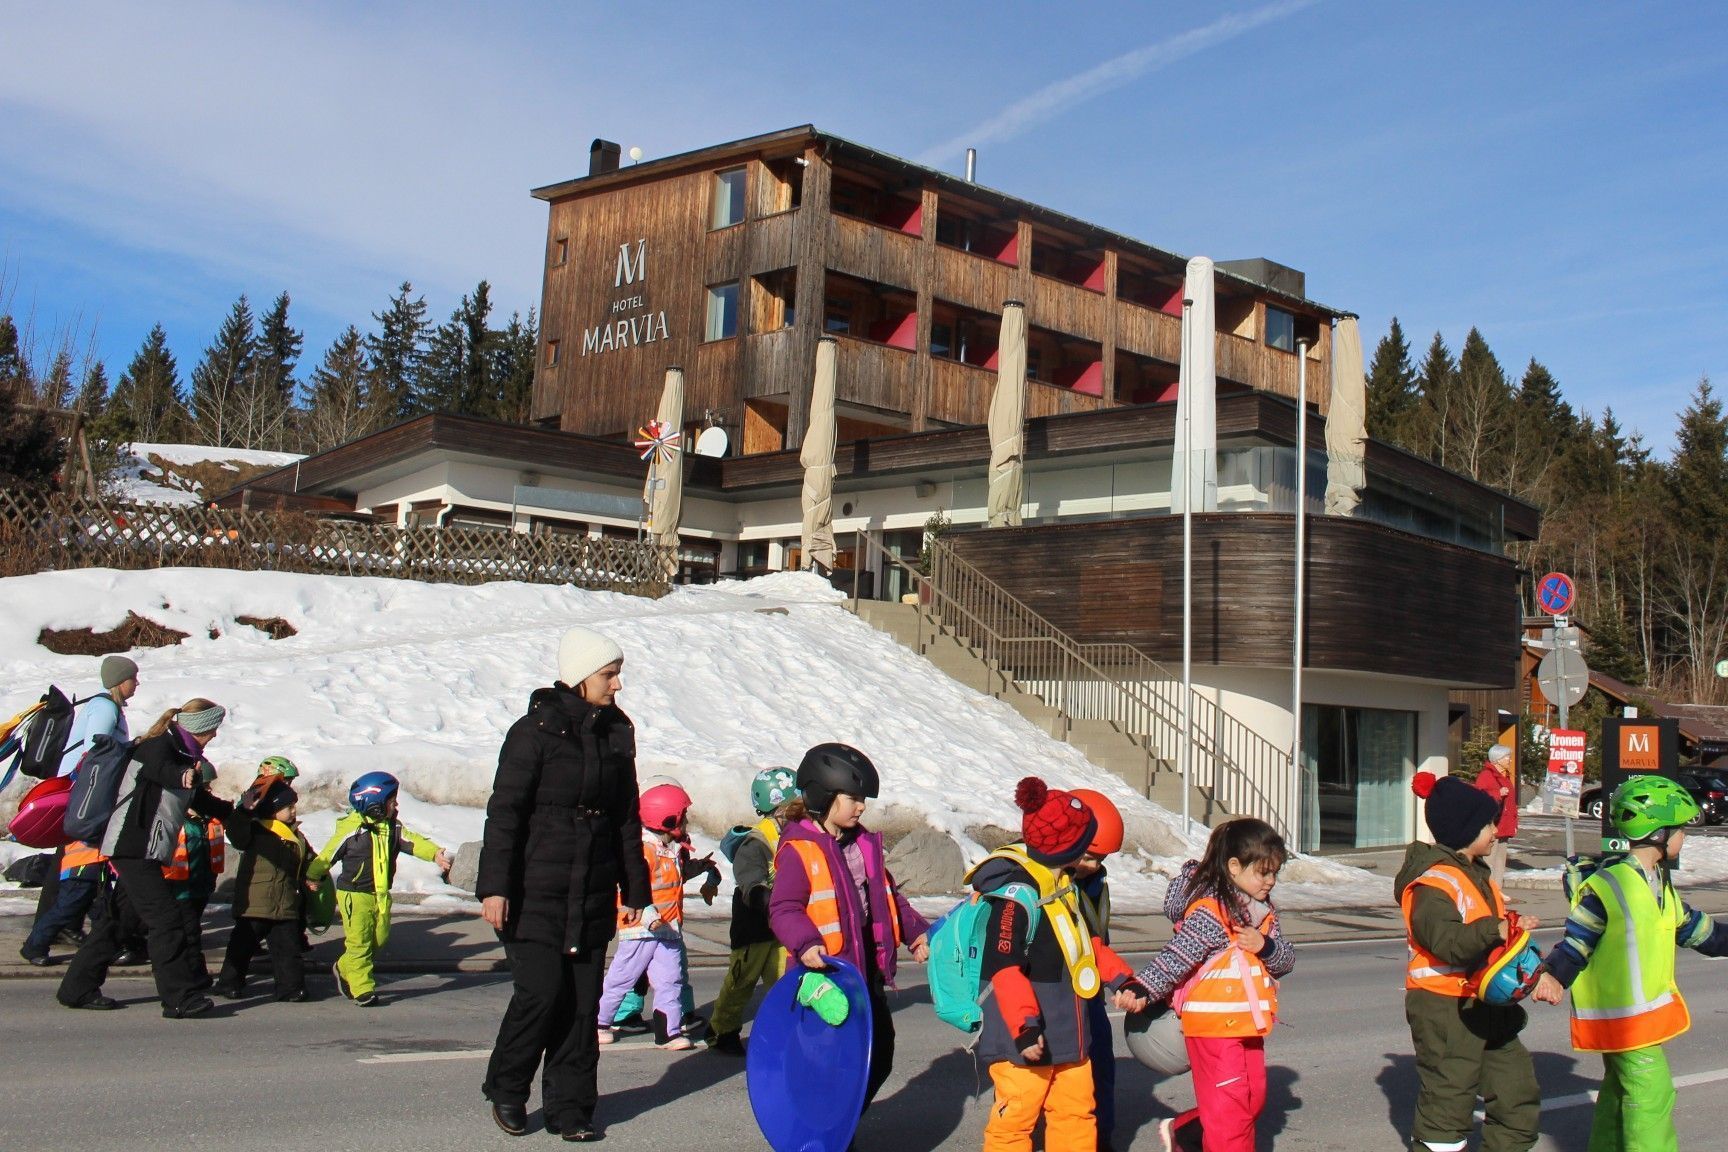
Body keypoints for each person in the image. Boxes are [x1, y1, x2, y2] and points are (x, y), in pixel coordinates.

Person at [478, 626, 651, 1143]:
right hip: (534, 892)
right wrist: (494, 887)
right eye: (609, 674)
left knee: (580, 1007)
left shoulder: (618, 733)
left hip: (592, 891)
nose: (617, 685)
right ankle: (508, 1089)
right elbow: (504, 813)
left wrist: (635, 889)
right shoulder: (532, 733)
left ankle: (571, 1107)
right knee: (540, 995)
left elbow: (625, 816)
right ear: (579, 677)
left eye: (617, 674)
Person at [1528, 775, 1728, 1150]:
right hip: (1624, 1022)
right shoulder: (1612, 885)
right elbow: (1578, 939)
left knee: (1621, 1099)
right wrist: (1554, 975)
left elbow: (1697, 931)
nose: (1684, 836)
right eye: (1680, 829)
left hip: (1634, 1021)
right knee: (1652, 1098)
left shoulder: (1656, 884)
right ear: (1657, 833)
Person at [971, 778, 1149, 1152]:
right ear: (1067, 846)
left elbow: (1087, 946)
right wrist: (1024, 1025)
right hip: (1025, 1038)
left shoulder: (1063, 888)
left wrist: (1124, 980)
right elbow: (1004, 968)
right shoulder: (1016, 898)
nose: (1091, 856)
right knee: (1014, 1124)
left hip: (1070, 1033)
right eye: (1085, 845)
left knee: (1076, 1117)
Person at [769, 742, 931, 1112]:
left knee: (879, 1055)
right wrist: (806, 943)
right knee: (831, 1065)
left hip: (867, 972)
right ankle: (826, 1130)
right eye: (853, 797)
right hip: (826, 975)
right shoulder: (801, 849)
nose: (861, 806)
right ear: (823, 795)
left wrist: (914, 932)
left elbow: (887, 897)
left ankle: (841, 1119)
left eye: (864, 799)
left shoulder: (863, 845)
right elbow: (783, 909)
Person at [57, 698, 235, 1018]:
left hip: (144, 850)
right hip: (132, 848)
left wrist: (236, 812)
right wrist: (185, 776)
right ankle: (180, 998)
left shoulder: (182, 753)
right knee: (167, 920)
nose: (215, 736)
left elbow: (197, 798)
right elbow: (164, 773)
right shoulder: (156, 748)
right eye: (212, 729)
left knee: (119, 923)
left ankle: (77, 987)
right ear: (196, 728)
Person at [1397, 771, 1540, 1152]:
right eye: (1489, 824)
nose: (1496, 831)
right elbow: (1447, 942)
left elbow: (1489, 936)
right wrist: (1494, 929)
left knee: (1516, 1096)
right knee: (1447, 1107)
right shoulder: (1434, 883)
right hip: (1445, 1008)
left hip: (1486, 1002)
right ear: (1465, 830)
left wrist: (1514, 935)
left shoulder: (1476, 875)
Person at [1135, 817, 1293, 1152]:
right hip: (1213, 1030)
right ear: (1234, 867)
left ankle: (1186, 1132)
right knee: (1231, 1115)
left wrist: (1265, 946)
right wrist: (1142, 989)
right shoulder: (1213, 912)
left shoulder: (1262, 914)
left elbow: (1285, 962)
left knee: (1251, 1102)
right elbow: (1176, 957)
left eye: (1275, 873)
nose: (1270, 881)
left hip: (1248, 1027)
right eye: (1263, 872)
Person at [22, 654, 139, 965]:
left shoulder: (108, 707)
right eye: (133, 678)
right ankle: (48, 933)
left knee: (78, 864)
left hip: (86, 792)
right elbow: (96, 748)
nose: (136, 683)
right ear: (119, 680)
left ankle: (61, 928)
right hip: (84, 793)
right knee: (80, 862)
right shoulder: (104, 707)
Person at [596, 781, 719, 1050]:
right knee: (623, 976)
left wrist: (702, 868)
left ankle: (669, 1031)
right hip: (641, 929)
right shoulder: (644, 851)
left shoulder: (671, 850)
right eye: (683, 816)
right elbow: (628, 887)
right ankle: (599, 1022)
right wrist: (648, 914)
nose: (686, 822)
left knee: (670, 979)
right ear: (668, 818)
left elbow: (675, 880)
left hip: (668, 928)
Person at [321, 771, 451, 1007]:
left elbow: (412, 841)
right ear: (375, 804)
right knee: (359, 942)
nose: (396, 805)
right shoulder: (352, 830)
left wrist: (433, 853)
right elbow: (328, 855)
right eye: (392, 801)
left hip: (380, 894)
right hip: (354, 894)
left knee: (378, 939)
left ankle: (344, 966)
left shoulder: (392, 828)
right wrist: (312, 875)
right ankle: (362, 989)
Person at [709, 767, 800, 1055]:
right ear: (777, 807)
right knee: (742, 980)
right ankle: (722, 1031)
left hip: (782, 921)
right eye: (794, 805)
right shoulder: (758, 840)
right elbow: (749, 877)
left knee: (782, 981)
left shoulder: (796, 833)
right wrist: (763, 897)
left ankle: (784, 1031)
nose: (802, 811)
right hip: (754, 921)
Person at [215, 780, 326, 1002]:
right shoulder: (256, 831)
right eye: (288, 807)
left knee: (288, 949)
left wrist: (314, 876)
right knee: (242, 946)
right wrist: (244, 809)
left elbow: (308, 861)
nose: (293, 810)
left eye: (294, 805)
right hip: (255, 905)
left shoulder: (296, 837)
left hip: (284, 904)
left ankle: (291, 988)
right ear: (273, 810)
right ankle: (229, 983)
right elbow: (236, 832)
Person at [1069, 788, 1126, 1152]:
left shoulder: (1093, 880)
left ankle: (1099, 1141)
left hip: (1088, 988)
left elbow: (1095, 940)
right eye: (1090, 856)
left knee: (1101, 1069)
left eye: (1101, 858)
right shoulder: (1044, 881)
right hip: (1052, 993)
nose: (1094, 864)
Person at [164, 783, 225, 989]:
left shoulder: (210, 820)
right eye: (203, 788)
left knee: (189, 932)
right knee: (189, 934)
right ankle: (194, 976)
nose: (208, 792)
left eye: (209, 788)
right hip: (179, 888)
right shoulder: (175, 818)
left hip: (201, 887)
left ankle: (190, 975)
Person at [1474, 745, 1519, 887]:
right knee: (1489, 861)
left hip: (1505, 825)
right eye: (1507, 757)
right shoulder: (1486, 776)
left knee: (1500, 861)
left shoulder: (1505, 777)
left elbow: (1511, 804)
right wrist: (1498, 793)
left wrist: (1514, 823)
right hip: (1492, 825)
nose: (1510, 760)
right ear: (1497, 759)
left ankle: (1497, 891)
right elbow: (1479, 797)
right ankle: (1487, 891)